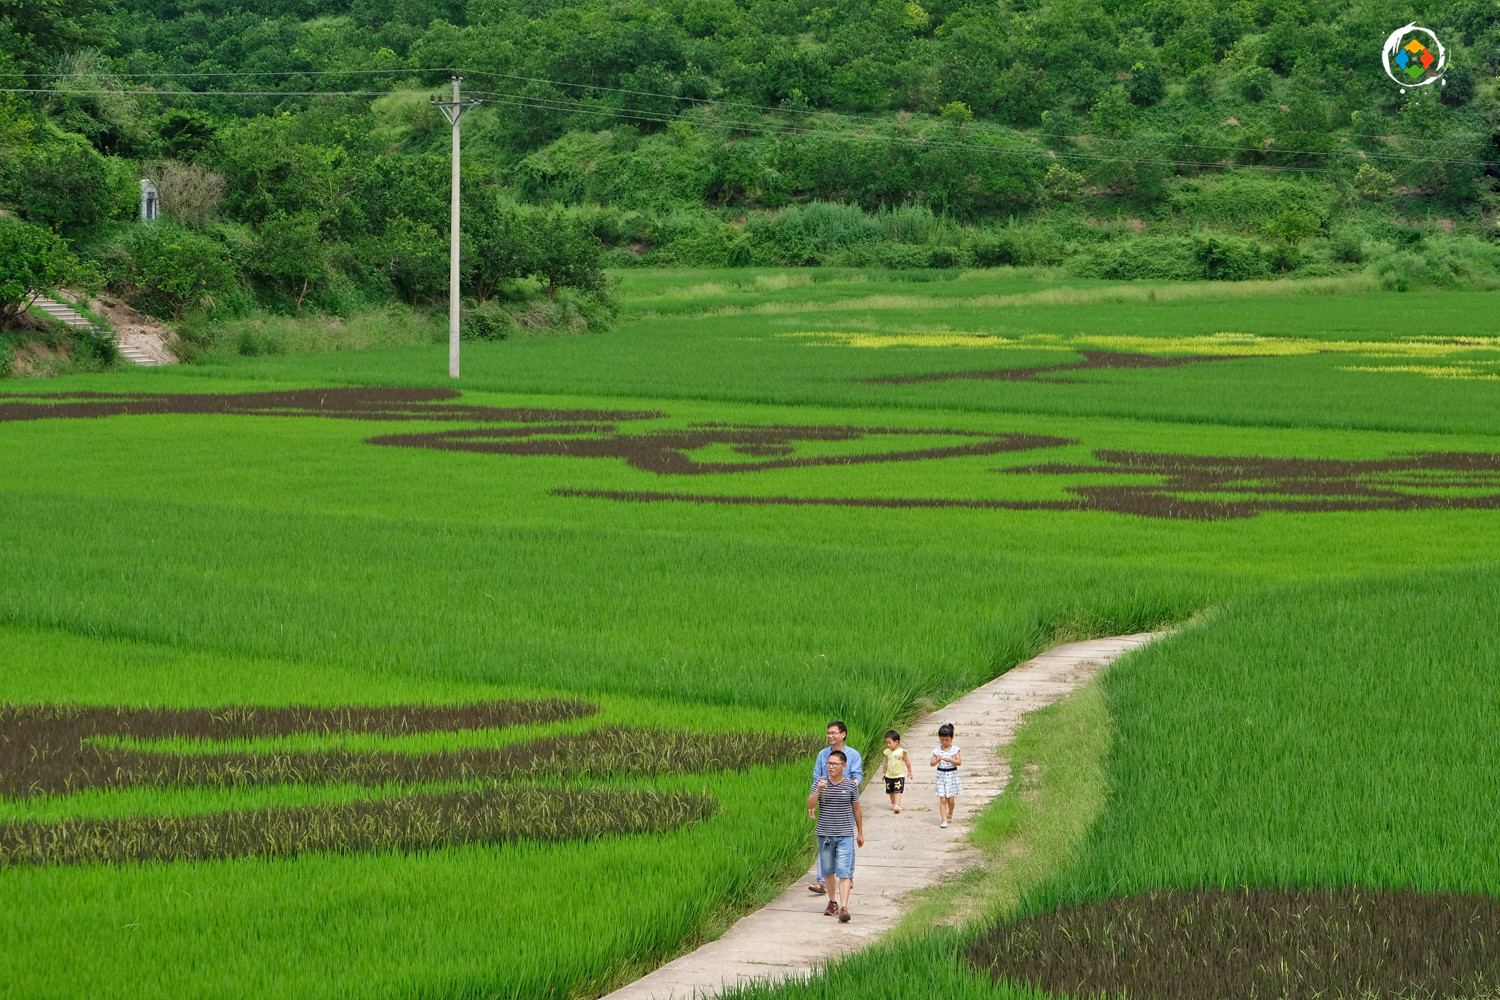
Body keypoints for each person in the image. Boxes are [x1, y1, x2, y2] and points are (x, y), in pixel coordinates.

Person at [806, 749, 863, 923]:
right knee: (828, 871)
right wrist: (819, 791)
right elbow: (810, 804)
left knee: (844, 872)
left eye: (834, 764)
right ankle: (832, 902)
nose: (830, 767)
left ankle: (844, 907)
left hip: (845, 834)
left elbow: (857, 809)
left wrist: (860, 832)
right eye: (829, 764)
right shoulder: (819, 783)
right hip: (825, 834)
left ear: (844, 766)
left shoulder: (850, 785)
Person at [808, 721, 862, 896]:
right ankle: (821, 881)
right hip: (827, 801)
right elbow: (817, 777)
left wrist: (848, 789)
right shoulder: (823, 755)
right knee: (825, 839)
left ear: (843, 734)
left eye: (834, 733)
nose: (830, 736)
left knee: (846, 840)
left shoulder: (853, 755)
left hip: (845, 803)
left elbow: (857, 776)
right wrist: (815, 798)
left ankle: (848, 875)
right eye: (828, 733)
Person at [929, 723, 962, 829]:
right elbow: (932, 764)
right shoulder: (937, 750)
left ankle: (950, 813)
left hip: (952, 775)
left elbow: (959, 762)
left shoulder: (955, 749)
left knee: (950, 800)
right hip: (941, 776)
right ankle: (943, 820)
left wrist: (951, 760)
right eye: (942, 740)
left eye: (947, 740)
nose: (944, 742)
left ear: (951, 738)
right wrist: (937, 760)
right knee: (942, 799)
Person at [879, 729, 909, 813]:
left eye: (890, 743)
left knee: (897, 790)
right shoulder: (887, 752)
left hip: (899, 775)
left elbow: (907, 761)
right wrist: (884, 773)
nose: (888, 745)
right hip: (889, 775)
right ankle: (893, 804)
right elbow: (886, 763)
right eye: (886, 743)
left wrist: (909, 771)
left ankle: (897, 805)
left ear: (896, 742)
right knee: (890, 791)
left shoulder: (901, 752)